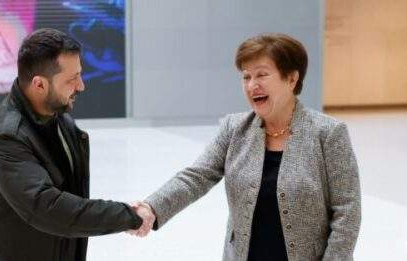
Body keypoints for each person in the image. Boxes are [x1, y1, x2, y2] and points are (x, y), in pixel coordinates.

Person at [131, 33, 361, 261]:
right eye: (246, 76)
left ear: (291, 79)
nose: (252, 85)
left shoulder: (329, 133)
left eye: (262, 74)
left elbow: (347, 211)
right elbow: (195, 177)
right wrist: (152, 207)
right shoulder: (234, 128)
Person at [0, 28, 151, 261]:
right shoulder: (6, 138)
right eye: (71, 79)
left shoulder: (60, 119)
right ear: (39, 85)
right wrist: (128, 216)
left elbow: (71, 199)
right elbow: (50, 209)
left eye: (80, 74)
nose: (81, 86)